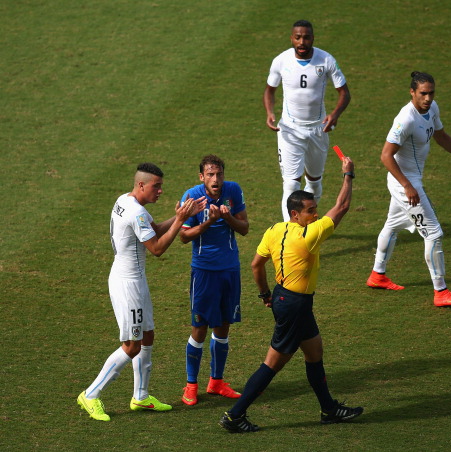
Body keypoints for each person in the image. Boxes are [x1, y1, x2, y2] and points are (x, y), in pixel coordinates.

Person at [219, 155, 363, 433]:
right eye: (310, 211)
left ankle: (329, 409)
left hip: (286, 299)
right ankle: (235, 415)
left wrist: (265, 294)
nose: (316, 215)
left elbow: (256, 264)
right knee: (272, 364)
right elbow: (342, 206)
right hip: (295, 305)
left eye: (316, 209)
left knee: (314, 351)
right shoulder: (309, 236)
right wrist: (348, 175)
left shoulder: (275, 230)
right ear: (295, 214)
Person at [77, 163, 205, 421]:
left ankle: (141, 396)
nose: (160, 191)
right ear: (141, 185)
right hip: (128, 286)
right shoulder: (136, 212)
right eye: (156, 186)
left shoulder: (125, 200)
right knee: (132, 345)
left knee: (147, 336)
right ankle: (90, 394)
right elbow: (156, 248)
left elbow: (154, 229)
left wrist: (179, 216)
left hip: (134, 281)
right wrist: (180, 221)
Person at [366, 71, 451, 307]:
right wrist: (407, 185)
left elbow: (441, 136)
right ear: (412, 92)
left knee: (393, 225)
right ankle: (440, 291)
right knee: (434, 233)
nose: (428, 98)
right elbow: (385, 156)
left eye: (431, 93)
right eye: (423, 93)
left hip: (409, 181)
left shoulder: (432, 109)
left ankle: (377, 275)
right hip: (405, 183)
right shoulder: (406, 119)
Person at [264, 19, 351, 222]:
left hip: (318, 130)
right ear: (291, 38)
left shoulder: (326, 60)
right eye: (297, 37)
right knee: (290, 184)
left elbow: (345, 94)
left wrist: (335, 115)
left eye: (306, 37)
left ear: (313, 38)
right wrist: (269, 112)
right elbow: (269, 90)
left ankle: (308, 220)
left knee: (313, 182)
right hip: (289, 130)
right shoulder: (281, 61)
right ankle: (290, 232)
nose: (302, 41)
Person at [179, 155, 249, 406]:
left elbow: (244, 228)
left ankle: (216, 382)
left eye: (218, 174)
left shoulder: (233, 191)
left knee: (223, 325)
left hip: (230, 269)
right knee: (199, 328)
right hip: (204, 270)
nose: (215, 179)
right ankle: (190, 385)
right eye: (210, 174)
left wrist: (227, 217)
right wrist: (209, 221)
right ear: (202, 177)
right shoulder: (192, 197)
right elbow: (184, 237)